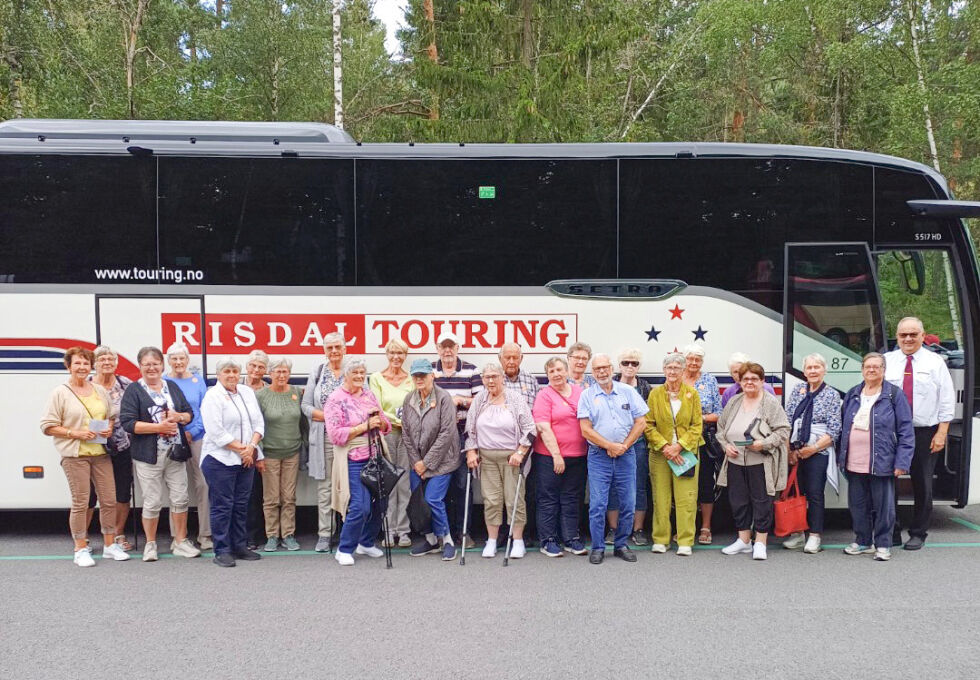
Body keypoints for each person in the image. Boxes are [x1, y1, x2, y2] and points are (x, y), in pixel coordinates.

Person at [40, 347, 130, 567]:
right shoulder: (60, 392)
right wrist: (75, 433)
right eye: (77, 363)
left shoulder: (99, 390)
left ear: (90, 366)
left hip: (101, 453)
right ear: (69, 366)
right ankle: (80, 548)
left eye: (85, 363)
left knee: (109, 500)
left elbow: (110, 416)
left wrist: (108, 429)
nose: (81, 367)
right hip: (75, 455)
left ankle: (109, 545)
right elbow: (48, 426)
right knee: (81, 502)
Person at [119, 346, 201, 562]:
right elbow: (127, 423)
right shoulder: (134, 391)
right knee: (152, 501)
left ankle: (180, 542)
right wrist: (159, 428)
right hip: (148, 456)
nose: (152, 368)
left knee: (180, 499)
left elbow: (189, 414)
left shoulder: (171, 386)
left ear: (162, 366)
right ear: (140, 367)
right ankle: (151, 544)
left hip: (175, 453)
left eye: (155, 364)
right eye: (147, 364)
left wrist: (178, 416)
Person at [884, 316, 955, 550]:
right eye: (903, 334)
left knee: (922, 483)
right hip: (892, 433)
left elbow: (946, 399)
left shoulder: (936, 362)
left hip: (925, 432)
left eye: (913, 334)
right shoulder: (886, 361)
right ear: (897, 336)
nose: (908, 339)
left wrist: (942, 432)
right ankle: (891, 531)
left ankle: (918, 533)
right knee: (888, 483)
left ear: (923, 336)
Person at [839, 353, 914, 561]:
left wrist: (902, 461)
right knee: (858, 504)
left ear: (883, 370)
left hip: (883, 460)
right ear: (862, 369)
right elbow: (843, 424)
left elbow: (906, 430)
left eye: (876, 367)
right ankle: (863, 541)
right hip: (854, 460)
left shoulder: (894, 395)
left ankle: (883, 544)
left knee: (884, 507)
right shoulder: (854, 393)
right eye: (867, 367)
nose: (871, 370)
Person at [578, 353, 649, 564]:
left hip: (627, 454)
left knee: (628, 502)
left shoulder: (628, 391)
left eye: (605, 367)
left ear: (611, 368)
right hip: (599, 455)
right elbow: (585, 430)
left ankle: (621, 545)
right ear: (593, 373)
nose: (602, 372)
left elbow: (641, 423)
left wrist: (624, 446)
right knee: (598, 504)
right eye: (597, 368)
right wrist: (609, 446)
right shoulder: (587, 396)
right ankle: (598, 547)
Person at [716, 362, 790, 560]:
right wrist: (726, 446)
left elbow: (783, 430)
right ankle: (744, 541)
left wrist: (763, 443)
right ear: (740, 381)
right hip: (735, 461)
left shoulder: (770, 402)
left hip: (761, 461)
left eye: (754, 379)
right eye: (745, 379)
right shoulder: (734, 402)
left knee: (761, 501)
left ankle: (761, 542)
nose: (749, 382)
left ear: (762, 381)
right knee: (738, 501)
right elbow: (720, 430)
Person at [464, 362, 535, 559]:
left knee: (514, 500)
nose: (491, 380)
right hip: (486, 459)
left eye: (495, 376)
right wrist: (471, 451)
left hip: (512, 458)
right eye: (487, 377)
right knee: (492, 500)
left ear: (502, 378)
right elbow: (469, 429)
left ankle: (518, 541)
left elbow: (530, 429)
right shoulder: (480, 399)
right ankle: (492, 541)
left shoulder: (515, 399)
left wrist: (520, 452)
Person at [326, 357, 392, 566]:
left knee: (382, 502)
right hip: (352, 459)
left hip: (374, 457)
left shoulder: (368, 394)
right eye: (355, 373)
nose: (359, 377)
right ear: (346, 375)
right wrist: (364, 426)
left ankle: (366, 542)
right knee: (360, 506)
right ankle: (344, 548)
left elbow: (385, 424)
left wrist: (381, 423)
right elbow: (335, 435)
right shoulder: (336, 399)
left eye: (362, 374)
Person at [200, 357, 265, 567]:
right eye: (226, 371)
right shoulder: (213, 396)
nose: (231, 375)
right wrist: (243, 449)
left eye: (235, 371)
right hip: (219, 460)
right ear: (218, 375)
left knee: (240, 504)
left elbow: (258, 423)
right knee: (222, 506)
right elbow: (216, 432)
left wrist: (251, 448)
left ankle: (239, 545)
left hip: (246, 458)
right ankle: (222, 549)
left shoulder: (246, 392)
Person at [401, 359, 461, 560]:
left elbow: (446, 433)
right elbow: (406, 434)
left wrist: (426, 463)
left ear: (431, 376)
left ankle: (447, 541)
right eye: (415, 375)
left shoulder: (444, 398)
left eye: (423, 375)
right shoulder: (409, 399)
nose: (419, 379)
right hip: (417, 463)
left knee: (433, 499)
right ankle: (431, 540)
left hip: (442, 461)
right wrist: (417, 462)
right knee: (419, 501)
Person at [782, 353, 843, 554]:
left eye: (817, 367)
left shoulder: (832, 394)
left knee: (815, 493)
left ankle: (815, 535)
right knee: (795, 492)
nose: (813, 371)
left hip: (818, 450)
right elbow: (788, 419)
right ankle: (798, 533)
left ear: (824, 370)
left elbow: (834, 429)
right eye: (810, 368)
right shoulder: (798, 390)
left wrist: (813, 449)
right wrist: (791, 450)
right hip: (796, 449)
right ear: (804, 371)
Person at [645, 351, 703, 556]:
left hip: (685, 453)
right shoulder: (654, 394)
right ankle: (661, 539)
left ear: (683, 370)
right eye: (669, 368)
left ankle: (685, 540)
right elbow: (648, 425)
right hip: (660, 454)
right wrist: (665, 447)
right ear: (664, 370)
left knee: (686, 498)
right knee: (660, 497)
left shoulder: (692, 394)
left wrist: (679, 446)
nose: (672, 371)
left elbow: (697, 425)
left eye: (677, 368)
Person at [532, 357, 588, 557]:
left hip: (578, 455)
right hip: (549, 456)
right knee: (548, 498)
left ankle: (571, 538)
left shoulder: (581, 393)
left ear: (567, 372)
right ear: (547, 376)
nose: (555, 374)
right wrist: (557, 455)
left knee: (572, 498)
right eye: (551, 371)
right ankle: (548, 540)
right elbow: (543, 426)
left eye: (558, 370)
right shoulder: (544, 396)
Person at [431, 331, 482, 541]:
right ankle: (443, 533)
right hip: (437, 438)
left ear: (458, 348)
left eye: (451, 346)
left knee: (463, 485)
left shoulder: (471, 371)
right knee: (440, 487)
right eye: (443, 346)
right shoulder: (430, 371)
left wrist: (459, 400)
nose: (447, 350)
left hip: (462, 436)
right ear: (438, 348)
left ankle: (464, 532)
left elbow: (481, 402)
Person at [302, 332, 347, 553]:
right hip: (324, 438)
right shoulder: (318, 372)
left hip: (349, 438)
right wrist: (330, 418)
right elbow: (306, 406)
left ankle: (348, 532)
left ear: (344, 348)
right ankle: (325, 534)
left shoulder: (352, 370)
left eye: (337, 347)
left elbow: (363, 401)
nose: (334, 352)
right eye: (329, 348)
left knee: (348, 487)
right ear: (324, 350)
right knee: (326, 487)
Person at [165, 342, 212, 550]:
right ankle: (178, 535)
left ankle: (205, 535)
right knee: (175, 486)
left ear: (187, 360)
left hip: (197, 436)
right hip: (172, 436)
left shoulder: (197, 381)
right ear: (168, 361)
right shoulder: (164, 381)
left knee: (203, 484)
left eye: (181, 358)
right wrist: (177, 430)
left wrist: (192, 431)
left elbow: (204, 409)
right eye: (174, 359)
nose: (178, 362)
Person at [369, 338, 414, 548]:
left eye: (401, 353)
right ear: (387, 354)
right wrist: (396, 420)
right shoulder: (377, 378)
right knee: (387, 482)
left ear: (405, 355)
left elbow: (415, 405)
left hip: (407, 435)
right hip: (386, 433)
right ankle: (388, 530)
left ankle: (403, 531)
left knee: (404, 483)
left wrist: (407, 423)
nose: (396, 357)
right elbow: (376, 407)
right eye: (392, 352)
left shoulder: (412, 379)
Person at [89, 345, 134, 551]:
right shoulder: (86, 385)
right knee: (90, 494)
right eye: (102, 359)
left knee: (122, 492)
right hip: (93, 444)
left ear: (116, 363)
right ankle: (83, 538)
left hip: (122, 445)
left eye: (110, 359)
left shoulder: (126, 384)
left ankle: (118, 534)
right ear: (94, 364)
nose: (106, 363)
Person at [256, 357, 304, 552]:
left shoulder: (296, 393)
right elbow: (256, 424)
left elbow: (303, 423)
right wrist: (258, 453)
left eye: (285, 372)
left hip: (292, 451)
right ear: (270, 374)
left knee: (289, 497)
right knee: (271, 497)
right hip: (270, 453)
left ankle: (289, 534)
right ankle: (272, 536)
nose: (282, 375)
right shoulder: (261, 395)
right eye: (278, 372)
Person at [609, 348, 653, 546]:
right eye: (625, 362)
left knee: (638, 486)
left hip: (638, 443)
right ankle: (614, 529)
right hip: (611, 444)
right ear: (619, 366)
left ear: (638, 367)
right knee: (613, 487)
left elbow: (648, 418)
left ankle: (638, 529)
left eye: (634, 363)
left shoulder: (645, 387)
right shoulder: (609, 385)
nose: (629, 366)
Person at [681, 344, 722, 545]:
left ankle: (705, 527)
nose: (694, 363)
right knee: (684, 484)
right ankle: (684, 527)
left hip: (704, 441)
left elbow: (718, 413)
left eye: (698, 359)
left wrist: (698, 419)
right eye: (690, 359)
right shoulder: (676, 378)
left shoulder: (709, 380)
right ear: (684, 360)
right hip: (681, 442)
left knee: (705, 483)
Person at [499, 342, 540, 544]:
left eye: (515, 357)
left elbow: (536, 413)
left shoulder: (531, 380)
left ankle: (525, 532)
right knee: (501, 491)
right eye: (508, 357)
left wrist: (525, 445)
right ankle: (502, 533)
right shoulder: (495, 380)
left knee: (525, 489)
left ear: (521, 359)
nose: (512, 361)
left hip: (526, 445)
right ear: (501, 360)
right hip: (500, 445)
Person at [242, 349, 269, 550]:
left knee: (255, 494)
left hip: (260, 448)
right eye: (253, 365)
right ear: (246, 366)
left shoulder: (268, 390)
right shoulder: (235, 386)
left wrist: (257, 450)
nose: (256, 369)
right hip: (238, 447)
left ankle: (253, 535)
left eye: (261, 366)